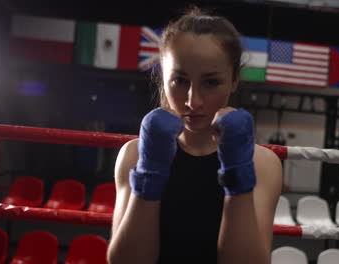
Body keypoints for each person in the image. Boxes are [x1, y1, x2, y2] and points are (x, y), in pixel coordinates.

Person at [107, 7, 282, 264]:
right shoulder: (134, 154)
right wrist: (149, 174)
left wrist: (238, 172)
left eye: (211, 82)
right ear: (163, 79)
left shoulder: (263, 164)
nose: (193, 101)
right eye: (180, 80)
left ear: (234, 80)